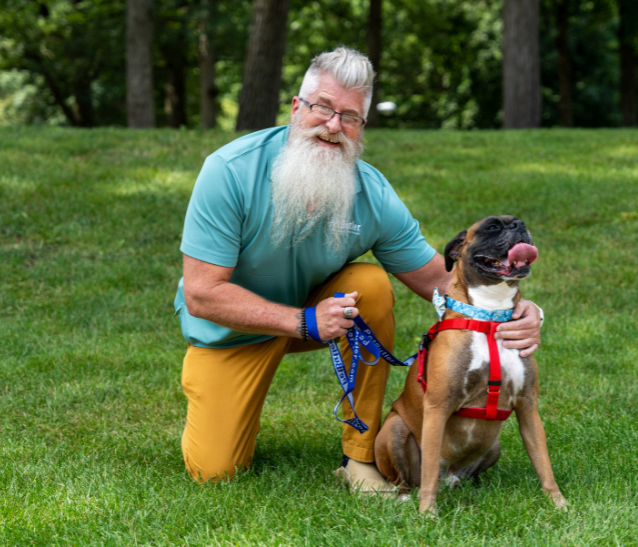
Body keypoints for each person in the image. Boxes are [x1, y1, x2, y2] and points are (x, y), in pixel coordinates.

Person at [173, 47, 542, 493]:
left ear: (362, 127)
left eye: (350, 117)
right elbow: (203, 293)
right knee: (214, 472)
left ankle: (360, 459)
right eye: (323, 108)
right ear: (296, 108)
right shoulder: (228, 171)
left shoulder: (370, 191)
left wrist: (515, 309)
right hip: (232, 334)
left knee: (369, 283)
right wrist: (303, 322)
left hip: (319, 318)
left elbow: (442, 282)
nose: (333, 126)